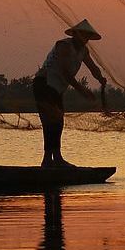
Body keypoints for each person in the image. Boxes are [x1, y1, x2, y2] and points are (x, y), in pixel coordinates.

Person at [33, 19, 107, 168]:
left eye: (87, 36)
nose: (85, 39)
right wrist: (82, 90)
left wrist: (100, 78)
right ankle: (49, 159)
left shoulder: (83, 50)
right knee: (51, 121)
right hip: (44, 84)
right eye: (83, 35)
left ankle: (55, 159)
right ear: (75, 34)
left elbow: (93, 67)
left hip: (56, 88)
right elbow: (65, 72)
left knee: (58, 122)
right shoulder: (64, 46)